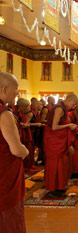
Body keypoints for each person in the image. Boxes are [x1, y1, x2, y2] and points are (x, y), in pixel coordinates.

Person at [0, 72, 29, 233]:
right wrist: (25, 151)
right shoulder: (4, 113)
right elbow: (16, 149)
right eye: (15, 88)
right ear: (4, 89)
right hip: (5, 174)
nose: (17, 93)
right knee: (9, 217)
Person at [44, 94, 78, 197]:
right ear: (69, 100)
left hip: (58, 140)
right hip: (54, 141)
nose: (74, 106)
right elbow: (54, 127)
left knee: (61, 164)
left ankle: (59, 187)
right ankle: (53, 189)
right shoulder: (59, 108)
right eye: (74, 103)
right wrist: (68, 125)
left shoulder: (62, 108)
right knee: (55, 164)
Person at [16, 98, 35, 170]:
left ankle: (26, 167)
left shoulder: (23, 113)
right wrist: (22, 125)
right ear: (22, 106)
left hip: (25, 133)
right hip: (18, 135)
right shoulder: (12, 112)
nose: (29, 108)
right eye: (27, 106)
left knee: (29, 148)